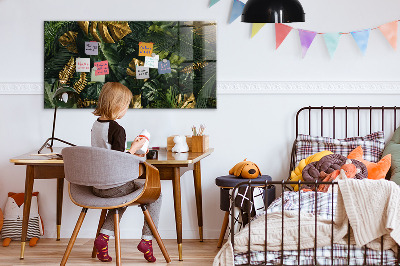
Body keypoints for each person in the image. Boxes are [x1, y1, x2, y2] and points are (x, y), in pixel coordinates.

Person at [91, 82, 161, 263]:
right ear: (118, 105)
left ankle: (103, 238)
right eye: (127, 105)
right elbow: (119, 161)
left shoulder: (96, 125)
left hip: (97, 186)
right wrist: (136, 148)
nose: (126, 109)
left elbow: (108, 154)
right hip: (114, 186)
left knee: (121, 197)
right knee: (156, 194)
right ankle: (147, 240)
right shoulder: (117, 129)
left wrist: (130, 149)